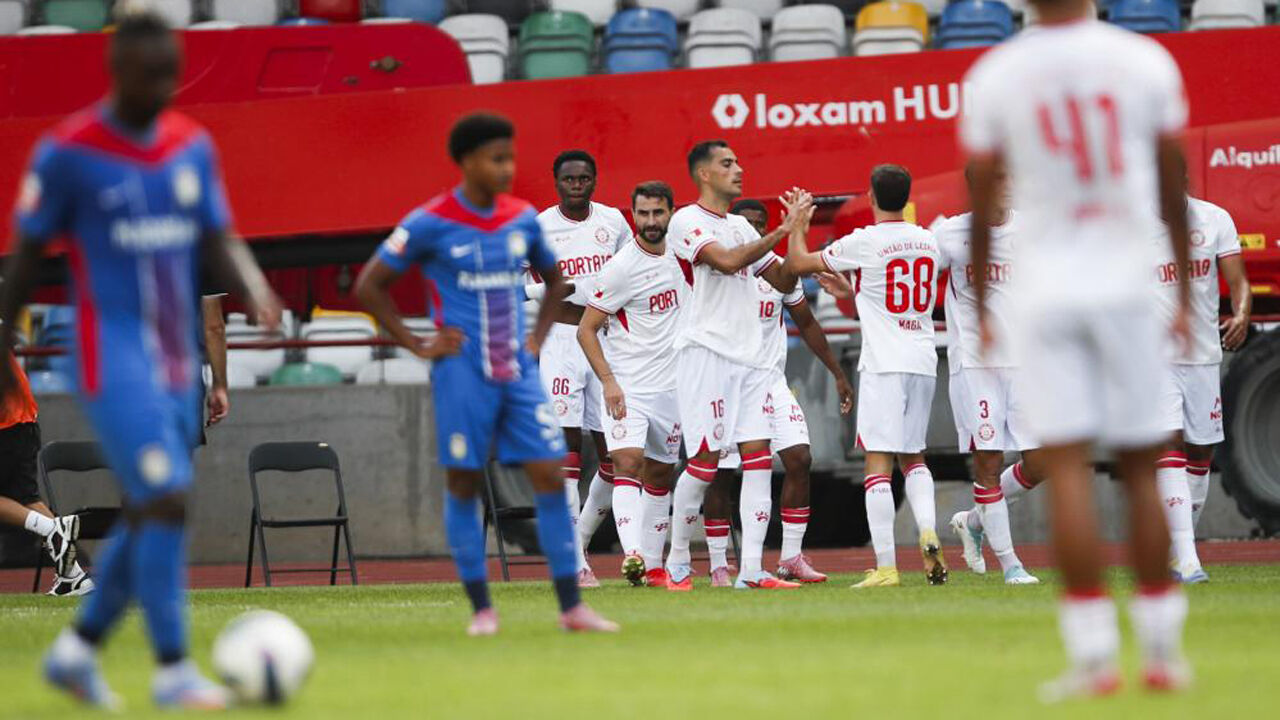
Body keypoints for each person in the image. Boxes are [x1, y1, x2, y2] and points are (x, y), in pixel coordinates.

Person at [1, 9, 282, 709]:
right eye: (150, 76)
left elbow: (217, 232)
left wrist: (255, 287)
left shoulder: (190, 145)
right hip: (112, 353)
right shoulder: (68, 153)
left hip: (174, 360)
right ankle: (172, 669)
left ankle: (77, 651)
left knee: (165, 505)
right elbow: (27, 257)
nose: (162, 89)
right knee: (162, 498)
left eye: (171, 77)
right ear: (117, 71)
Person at [961, 0, 1195, 698]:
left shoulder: (997, 70)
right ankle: (1161, 652)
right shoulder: (1143, 59)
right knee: (1141, 465)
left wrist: (980, 309)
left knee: (1065, 469)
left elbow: (980, 198)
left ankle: (1094, 658)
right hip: (1124, 280)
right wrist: (1181, 291)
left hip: (1046, 288)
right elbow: (1172, 182)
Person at [354, 113, 617, 636]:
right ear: (467, 161)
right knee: (463, 484)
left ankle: (572, 605)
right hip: (461, 375)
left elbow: (558, 282)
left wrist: (539, 338)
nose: (506, 168)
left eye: (511, 158)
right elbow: (369, 286)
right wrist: (418, 345)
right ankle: (481, 610)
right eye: (497, 158)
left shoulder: (521, 219)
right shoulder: (430, 222)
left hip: (517, 373)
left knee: (548, 474)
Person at [783, 165, 946, 589]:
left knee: (878, 461)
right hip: (922, 360)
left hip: (883, 363)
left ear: (872, 197)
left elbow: (799, 263)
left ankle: (887, 566)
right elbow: (894, 290)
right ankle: (928, 532)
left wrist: (798, 225)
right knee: (914, 457)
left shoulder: (865, 241)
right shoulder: (928, 240)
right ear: (907, 197)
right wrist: (851, 293)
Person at [663, 140, 809, 591]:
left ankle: (751, 570)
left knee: (759, 460)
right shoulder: (685, 220)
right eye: (727, 163)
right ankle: (677, 562)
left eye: (738, 162)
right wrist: (779, 232)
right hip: (705, 354)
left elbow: (782, 279)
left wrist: (799, 235)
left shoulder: (743, 226)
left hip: (750, 361)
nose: (739, 169)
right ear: (704, 174)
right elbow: (725, 263)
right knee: (706, 462)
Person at [701, 199, 854, 587]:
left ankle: (790, 557)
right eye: (747, 224)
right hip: (727, 381)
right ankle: (719, 563)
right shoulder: (722, 271)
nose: (753, 229)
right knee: (720, 473)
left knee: (799, 458)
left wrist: (837, 372)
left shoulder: (780, 273)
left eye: (759, 224)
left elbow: (807, 322)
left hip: (770, 382)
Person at [933, 168, 1043, 585]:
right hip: (976, 364)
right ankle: (1011, 564)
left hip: (1025, 363)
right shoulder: (949, 234)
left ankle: (974, 522)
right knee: (989, 460)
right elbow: (917, 274)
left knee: (1044, 459)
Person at [533, 150, 635, 587]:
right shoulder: (538, 226)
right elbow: (520, 284)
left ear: (595, 180)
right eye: (569, 179)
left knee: (614, 454)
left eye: (584, 178)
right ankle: (575, 563)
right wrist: (564, 288)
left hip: (603, 340)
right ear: (556, 181)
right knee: (566, 449)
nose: (577, 184)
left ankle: (577, 540)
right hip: (560, 340)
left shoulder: (613, 222)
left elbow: (633, 271)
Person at [576, 181, 685, 587]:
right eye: (643, 214)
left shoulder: (682, 257)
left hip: (672, 388)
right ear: (632, 215)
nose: (651, 222)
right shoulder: (621, 267)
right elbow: (586, 330)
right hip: (628, 387)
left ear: (671, 212)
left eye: (658, 213)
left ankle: (652, 567)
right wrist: (608, 381)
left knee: (660, 476)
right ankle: (633, 553)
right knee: (626, 464)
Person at [1150, 192, 1251, 584]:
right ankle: (1189, 558)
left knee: (1200, 452)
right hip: (1155, 358)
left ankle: (1178, 550)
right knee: (1169, 443)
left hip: (1203, 357)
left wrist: (1242, 313)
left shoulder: (1214, 219)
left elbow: (1238, 281)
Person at [0, 350, 92, 596]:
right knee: (27, 499)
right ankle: (73, 577)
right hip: (24, 419)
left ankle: (50, 528)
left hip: (5, 421)